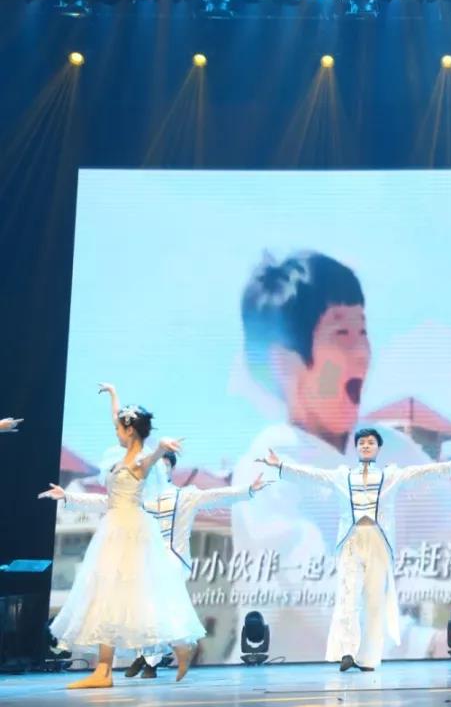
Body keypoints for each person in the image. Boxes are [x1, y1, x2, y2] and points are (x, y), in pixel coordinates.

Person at [230, 250, 430, 660]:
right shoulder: (266, 467)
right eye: (341, 334)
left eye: (363, 331)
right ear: (285, 364)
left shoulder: (390, 448)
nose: (362, 353)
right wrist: (439, 646)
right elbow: (331, 599)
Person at [256, 428, 451, 671]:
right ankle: (347, 652)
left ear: (377, 448)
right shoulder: (343, 476)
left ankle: (369, 657)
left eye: (370, 443)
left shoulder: (390, 476)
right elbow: (312, 475)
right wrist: (281, 466)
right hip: (351, 541)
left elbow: (420, 472)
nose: (365, 446)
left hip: (377, 541)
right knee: (348, 598)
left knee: (374, 600)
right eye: (361, 443)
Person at [44, 444, 269, 678]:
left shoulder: (185, 496)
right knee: (138, 608)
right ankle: (147, 656)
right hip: (143, 562)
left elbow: (216, 496)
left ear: (171, 469)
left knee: (155, 605)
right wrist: (68, 496)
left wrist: (248, 489)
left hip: (172, 561)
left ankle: (152, 658)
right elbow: (103, 501)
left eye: (164, 466)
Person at [43, 385, 203, 688]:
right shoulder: (120, 456)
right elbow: (117, 418)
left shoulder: (141, 460)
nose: (115, 431)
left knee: (138, 595)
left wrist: (161, 447)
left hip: (130, 531)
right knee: (106, 595)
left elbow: (153, 457)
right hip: (113, 528)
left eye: (119, 428)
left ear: (130, 431)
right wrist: (113, 395)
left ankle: (180, 644)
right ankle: (103, 671)